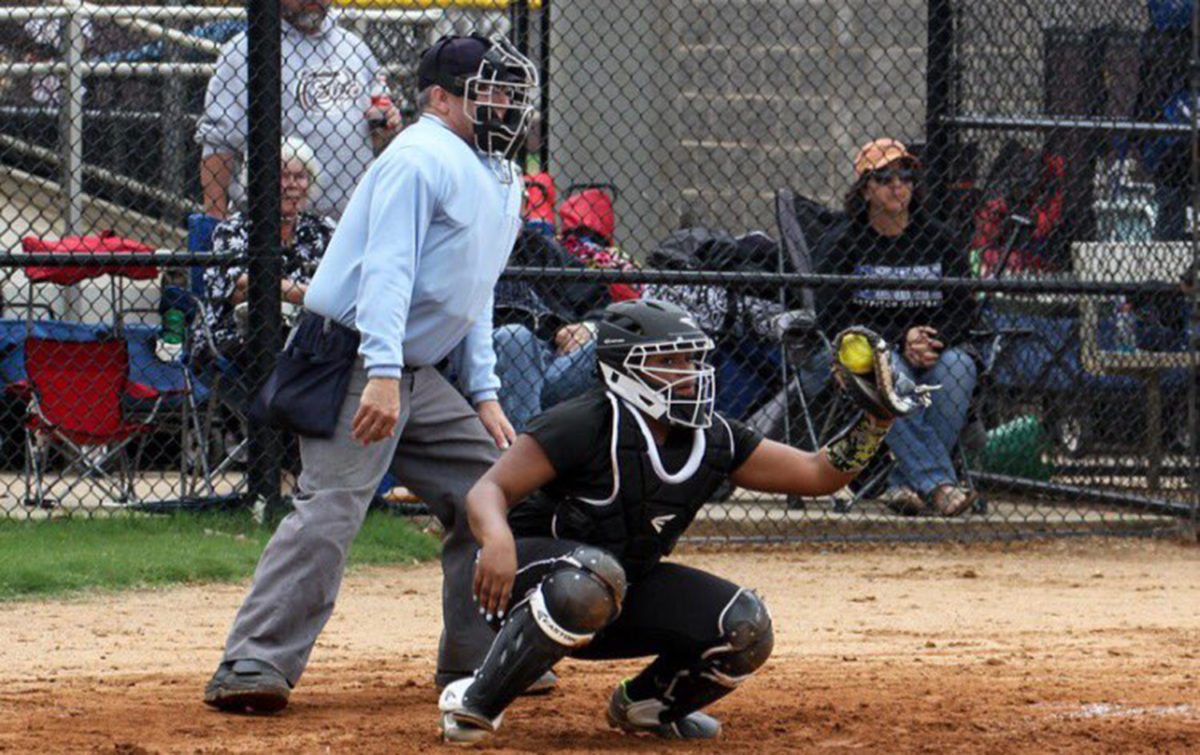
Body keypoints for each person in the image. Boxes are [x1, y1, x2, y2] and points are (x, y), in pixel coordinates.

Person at [202, 34, 540, 713]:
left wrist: (484, 391)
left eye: (510, 91)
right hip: (357, 354)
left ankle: (479, 661)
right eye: (488, 90)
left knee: (488, 490)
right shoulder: (419, 157)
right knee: (332, 505)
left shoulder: (500, 174)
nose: (504, 103)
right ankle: (253, 660)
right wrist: (382, 372)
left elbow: (472, 291)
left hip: (410, 366)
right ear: (439, 98)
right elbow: (389, 269)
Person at [437, 299, 912, 744]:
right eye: (671, 362)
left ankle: (646, 707)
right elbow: (488, 490)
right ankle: (476, 701)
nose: (690, 374)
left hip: (611, 590)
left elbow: (817, 473)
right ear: (624, 369)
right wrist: (497, 538)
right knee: (592, 577)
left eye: (692, 360)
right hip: (520, 586)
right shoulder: (586, 421)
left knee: (744, 626)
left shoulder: (714, 436)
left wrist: (876, 421)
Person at [815, 138, 979, 517]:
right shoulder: (843, 243)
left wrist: (931, 339)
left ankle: (904, 483)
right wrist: (896, 340)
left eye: (905, 176)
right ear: (866, 189)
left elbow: (965, 311)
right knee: (890, 374)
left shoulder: (938, 238)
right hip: (874, 351)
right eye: (885, 178)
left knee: (959, 368)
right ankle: (939, 484)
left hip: (933, 349)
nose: (897, 186)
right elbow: (833, 316)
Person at [194, 0, 401, 220]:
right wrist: (214, 221)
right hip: (278, 227)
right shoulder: (246, 51)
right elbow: (218, 144)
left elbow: (375, 131)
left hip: (352, 222)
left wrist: (386, 124)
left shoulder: (354, 48)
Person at [194, 136, 333, 383]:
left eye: (300, 176)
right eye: (282, 175)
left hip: (308, 333)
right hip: (238, 334)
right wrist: (314, 295)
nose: (291, 185)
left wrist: (274, 287)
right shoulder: (234, 229)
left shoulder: (323, 230)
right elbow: (238, 288)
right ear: (260, 180)